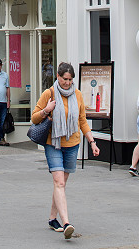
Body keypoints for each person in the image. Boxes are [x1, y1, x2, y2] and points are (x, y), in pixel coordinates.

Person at [31, 62, 99, 239]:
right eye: (64, 79)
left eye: (70, 79)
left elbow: (82, 121)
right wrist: (47, 110)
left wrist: (92, 141)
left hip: (72, 143)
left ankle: (53, 218)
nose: (67, 82)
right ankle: (67, 222)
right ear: (58, 77)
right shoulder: (49, 93)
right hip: (53, 143)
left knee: (61, 183)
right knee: (59, 181)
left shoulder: (77, 95)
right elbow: (34, 117)